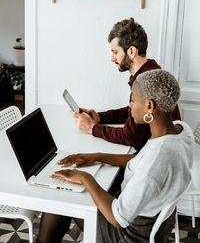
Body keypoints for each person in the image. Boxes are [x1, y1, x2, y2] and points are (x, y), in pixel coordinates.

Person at [36, 70, 194, 243]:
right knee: (69, 195)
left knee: (61, 199)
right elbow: (139, 161)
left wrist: (85, 178)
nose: (130, 108)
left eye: (133, 101)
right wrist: (97, 156)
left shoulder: (157, 158)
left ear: (150, 106)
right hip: (151, 225)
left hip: (126, 235)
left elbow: (118, 218)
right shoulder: (181, 130)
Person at [72, 18, 180, 152]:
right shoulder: (151, 71)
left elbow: (130, 137)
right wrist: (100, 117)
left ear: (131, 51)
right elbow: (135, 111)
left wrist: (92, 128)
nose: (112, 58)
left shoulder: (145, 82)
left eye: (115, 52)